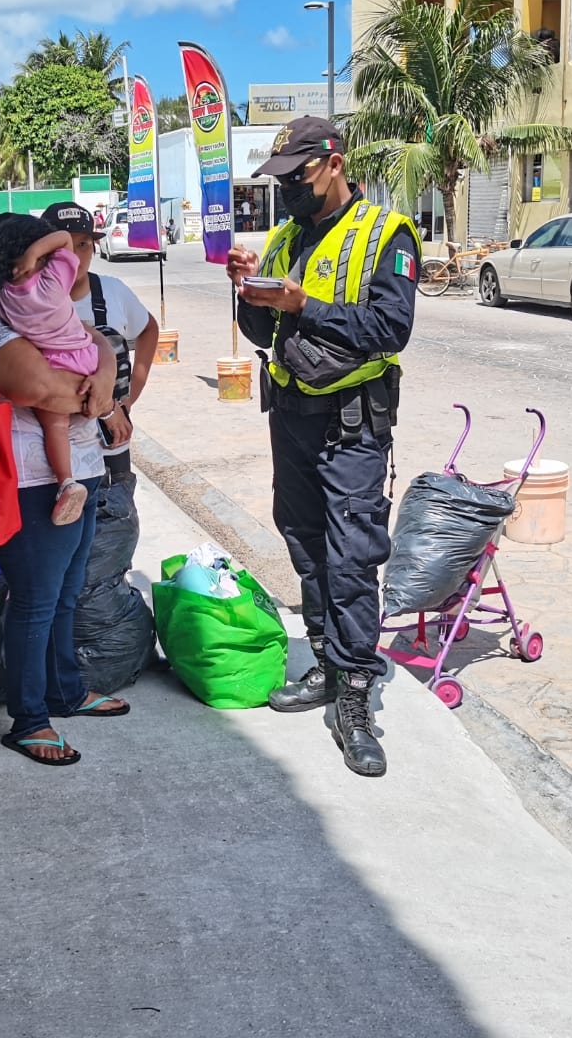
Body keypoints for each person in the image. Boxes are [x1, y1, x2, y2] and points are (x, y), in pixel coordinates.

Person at [226, 116, 420, 779]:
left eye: (296, 178)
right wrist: (247, 289)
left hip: (352, 422)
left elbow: (391, 328)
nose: (287, 193)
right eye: (278, 181)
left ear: (332, 163)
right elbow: (262, 326)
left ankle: (357, 696)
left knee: (350, 554)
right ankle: (329, 668)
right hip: (291, 415)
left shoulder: (382, 234)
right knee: (304, 542)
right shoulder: (282, 237)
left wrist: (303, 304)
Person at [0, 214, 126, 766]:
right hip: (28, 481)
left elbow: (94, 340)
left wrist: (103, 375)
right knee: (34, 602)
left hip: (78, 468)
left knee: (66, 592)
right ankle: (28, 718)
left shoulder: (26, 306)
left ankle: (65, 690)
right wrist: (101, 387)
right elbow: (43, 389)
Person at [0, 218, 98, 524]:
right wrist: (38, 252)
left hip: (54, 363)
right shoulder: (53, 283)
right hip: (85, 354)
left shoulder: (3, 299)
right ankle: (103, 414)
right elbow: (64, 239)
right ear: (39, 256)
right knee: (95, 400)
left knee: (55, 426)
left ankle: (66, 480)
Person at [40, 201, 157, 480]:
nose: (75, 257)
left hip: (110, 446)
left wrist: (130, 396)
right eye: (63, 248)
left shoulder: (112, 291)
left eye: (83, 245)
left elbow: (148, 329)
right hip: (54, 456)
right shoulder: (32, 302)